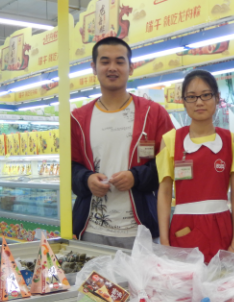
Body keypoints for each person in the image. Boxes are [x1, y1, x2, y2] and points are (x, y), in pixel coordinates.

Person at [71, 37, 174, 249]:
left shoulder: (153, 113)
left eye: (119, 61)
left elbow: (170, 165)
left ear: (131, 67)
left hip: (141, 231)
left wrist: (136, 177)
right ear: (94, 67)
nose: (112, 68)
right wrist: (87, 179)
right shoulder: (78, 119)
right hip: (90, 230)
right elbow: (70, 169)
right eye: (105, 61)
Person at [157, 70, 234, 263]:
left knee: (222, 279)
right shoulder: (170, 141)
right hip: (183, 227)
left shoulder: (231, 141)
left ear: (217, 98)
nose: (199, 102)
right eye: (191, 97)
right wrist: (164, 241)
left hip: (222, 227)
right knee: (186, 280)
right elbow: (164, 193)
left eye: (206, 95)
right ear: (183, 101)